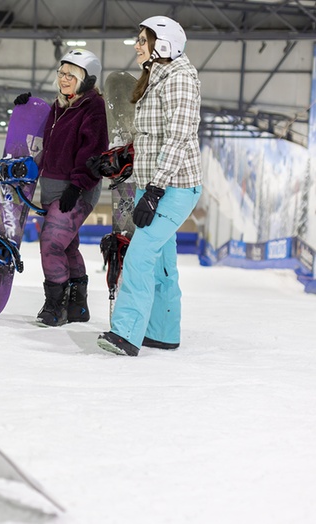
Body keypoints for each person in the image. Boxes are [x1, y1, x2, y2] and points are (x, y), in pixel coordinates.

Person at [97, 16, 203, 356]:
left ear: (165, 43)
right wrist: (122, 161)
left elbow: (178, 138)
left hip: (174, 187)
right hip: (152, 184)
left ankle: (126, 333)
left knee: (140, 256)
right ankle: (162, 331)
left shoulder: (180, 79)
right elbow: (148, 138)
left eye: (143, 40)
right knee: (160, 261)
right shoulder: (156, 78)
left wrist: (156, 190)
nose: (136, 45)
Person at [15, 49, 108, 327]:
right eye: (61, 73)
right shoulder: (59, 106)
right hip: (51, 185)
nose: (64, 79)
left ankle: (55, 306)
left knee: (51, 243)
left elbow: (94, 150)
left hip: (77, 188)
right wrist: (26, 108)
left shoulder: (94, 107)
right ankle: (78, 306)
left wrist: (77, 186)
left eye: (71, 75)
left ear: (87, 79)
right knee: (68, 247)